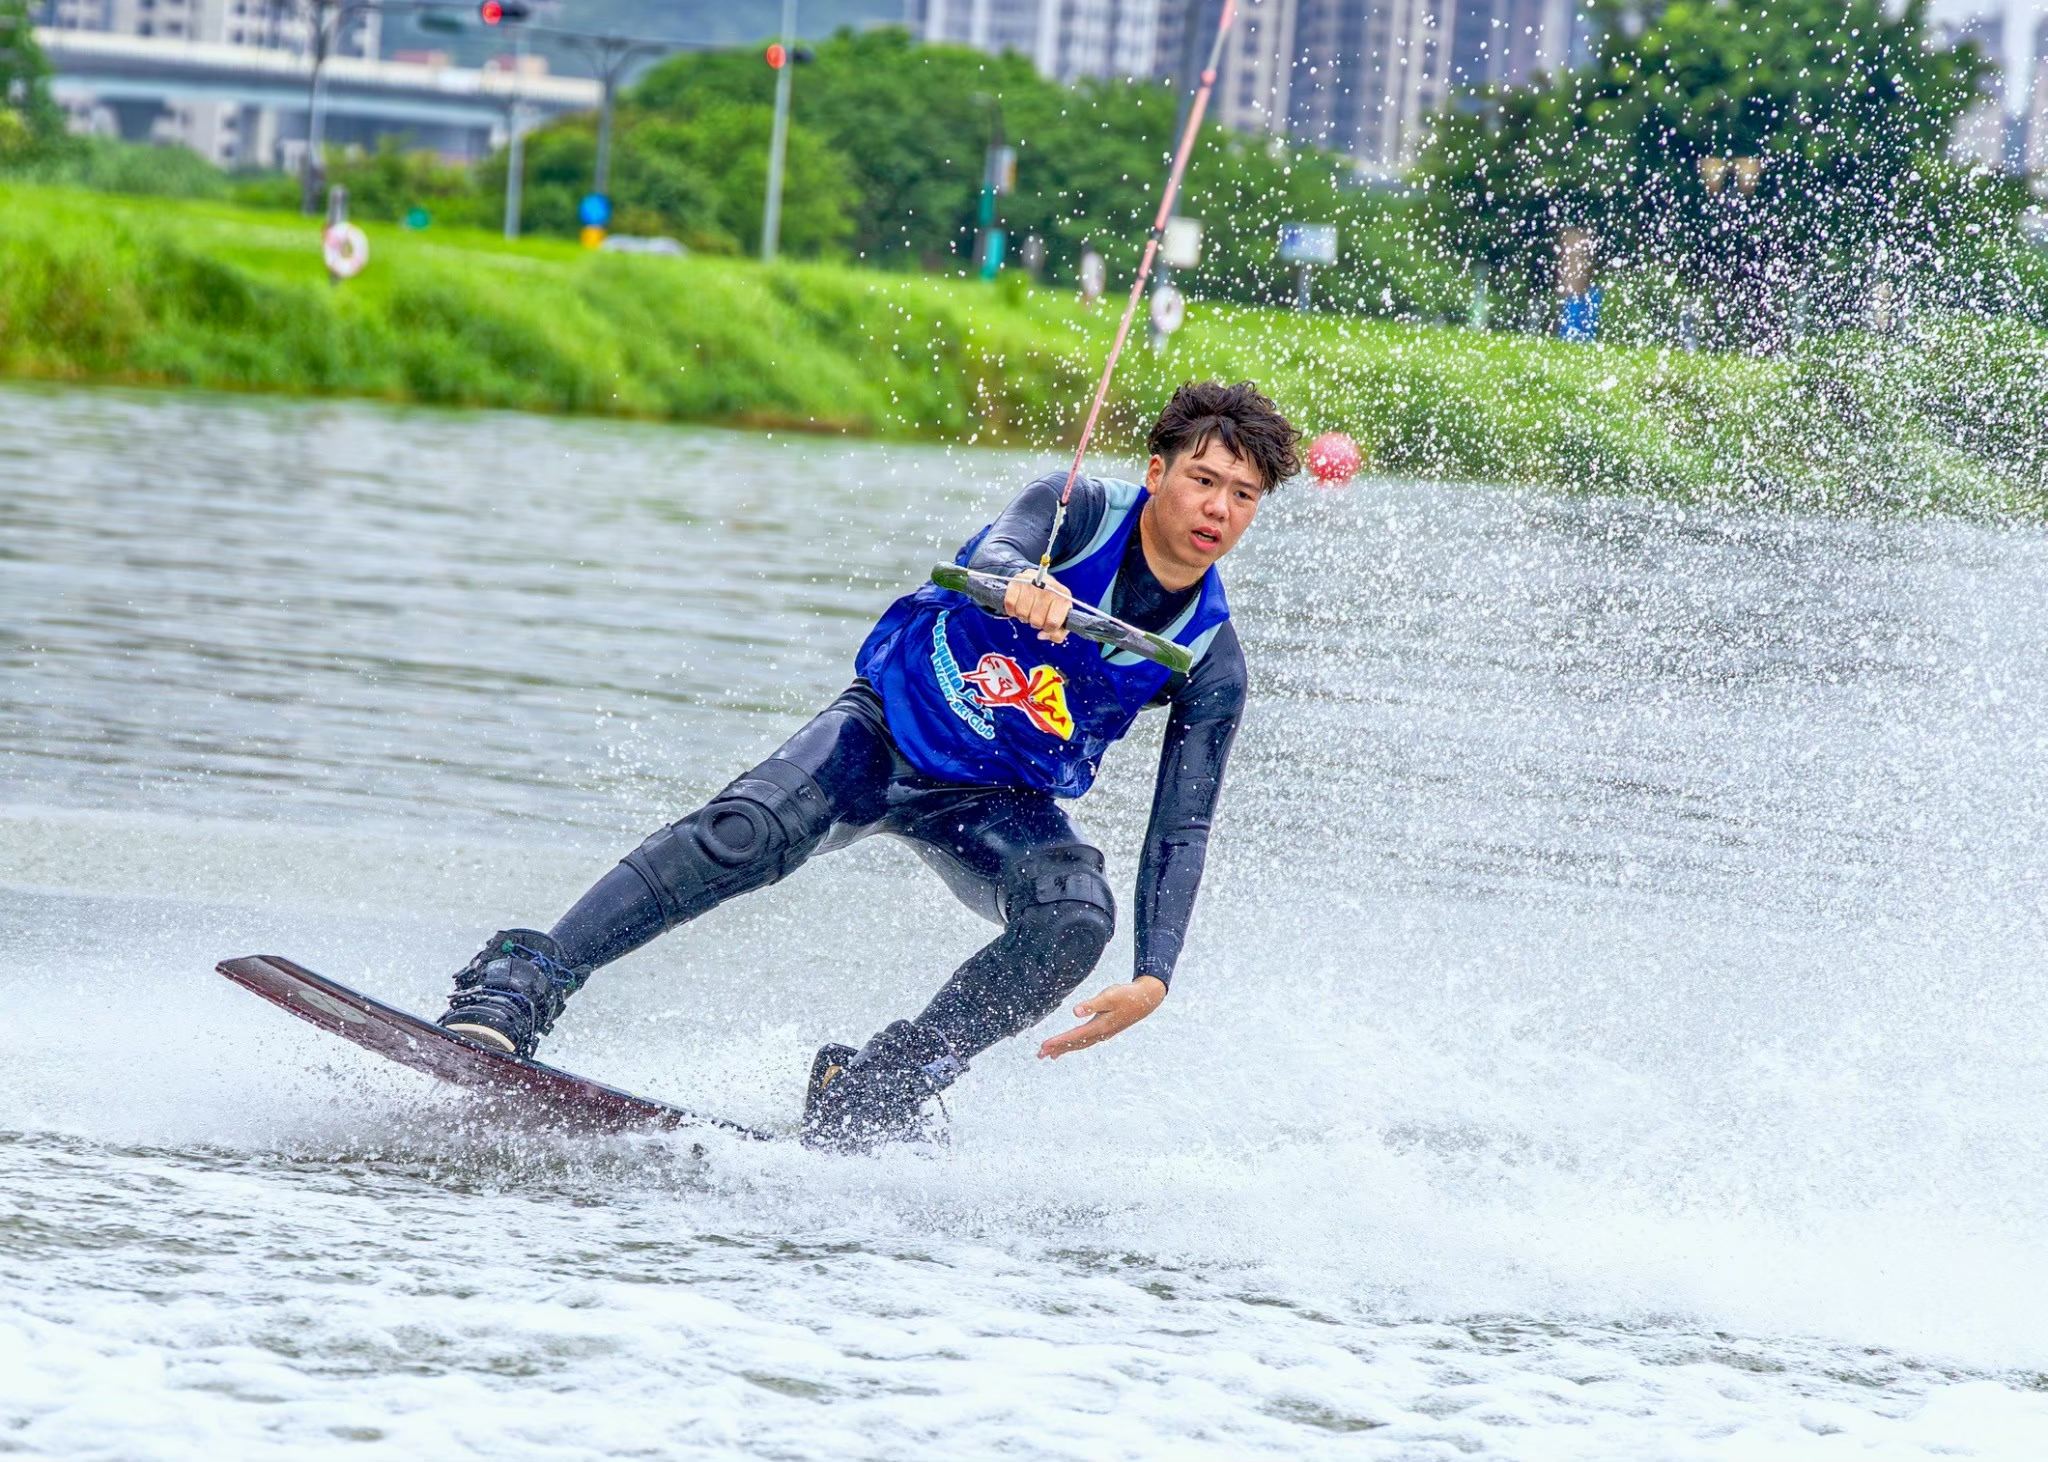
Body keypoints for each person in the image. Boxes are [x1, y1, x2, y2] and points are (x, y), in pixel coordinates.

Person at [437, 381, 1302, 1150]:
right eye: (1203, 479)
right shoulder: (1072, 508)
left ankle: (879, 1090)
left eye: (1243, 495)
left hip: (995, 800)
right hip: (885, 727)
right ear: (1157, 473)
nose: (1217, 509)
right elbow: (993, 553)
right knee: (746, 832)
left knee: (1074, 915)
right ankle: (517, 987)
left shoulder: (1210, 662)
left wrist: (1156, 971)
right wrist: (1018, 585)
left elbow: (1181, 826)